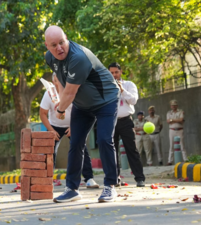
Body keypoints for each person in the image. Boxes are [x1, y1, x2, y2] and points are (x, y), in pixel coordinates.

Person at [45, 25, 120, 203]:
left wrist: (61, 109)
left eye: (62, 42)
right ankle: (71, 189)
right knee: (76, 142)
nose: (59, 48)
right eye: (54, 45)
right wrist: (62, 102)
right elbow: (62, 83)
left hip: (106, 101)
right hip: (82, 106)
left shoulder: (78, 57)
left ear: (67, 38)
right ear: (47, 46)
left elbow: (70, 93)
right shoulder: (50, 58)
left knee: (103, 139)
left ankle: (110, 186)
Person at [39, 73, 99, 188]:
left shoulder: (72, 92)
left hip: (73, 124)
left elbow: (81, 110)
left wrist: (73, 127)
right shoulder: (48, 94)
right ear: (53, 82)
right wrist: (51, 130)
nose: (58, 83)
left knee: (81, 148)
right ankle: (47, 179)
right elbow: (42, 114)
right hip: (54, 126)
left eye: (60, 80)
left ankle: (89, 178)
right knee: (49, 151)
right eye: (56, 80)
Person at [109, 62, 145, 187]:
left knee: (132, 149)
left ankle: (139, 178)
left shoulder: (129, 85)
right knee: (112, 151)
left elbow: (133, 100)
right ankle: (115, 178)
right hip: (110, 122)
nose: (114, 75)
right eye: (111, 73)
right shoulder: (105, 86)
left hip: (125, 121)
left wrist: (122, 90)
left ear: (121, 72)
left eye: (116, 72)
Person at [166, 100, 187, 165]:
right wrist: (177, 120)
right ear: (171, 106)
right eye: (172, 105)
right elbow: (168, 121)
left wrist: (172, 120)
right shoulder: (169, 113)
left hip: (180, 130)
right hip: (172, 130)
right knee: (171, 146)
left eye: (175, 105)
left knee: (182, 145)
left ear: (177, 106)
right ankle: (170, 161)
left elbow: (181, 120)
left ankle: (186, 159)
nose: (174, 106)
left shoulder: (180, 111)